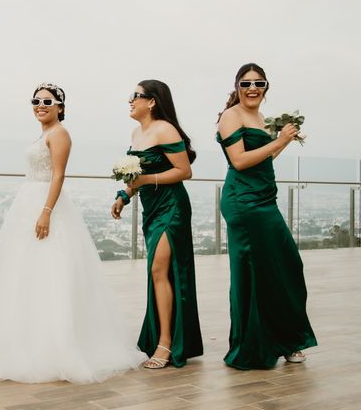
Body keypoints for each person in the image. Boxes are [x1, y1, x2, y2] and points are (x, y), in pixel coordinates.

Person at [0, 83, 146, 383]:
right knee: (24, 272)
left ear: (60, 107)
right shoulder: (43, 133)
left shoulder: (60, 133)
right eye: (36, 101)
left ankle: (55, 343)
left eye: (48, 101)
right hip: (27, 201)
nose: (41, 105)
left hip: (45, 204)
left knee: (52, 270)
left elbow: (58, 174)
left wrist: (46, 211)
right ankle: (24, 337)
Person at [216, 63, 317, 370]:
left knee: (286, 265)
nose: (252, 88)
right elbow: (240, 160)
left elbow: (266, 156)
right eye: (246, 83)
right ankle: (253, 345)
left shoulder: (260, 118)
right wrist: (281, 140)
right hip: (243, 202)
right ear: (236, 87)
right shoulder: (230, 116)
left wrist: (280, 143)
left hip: (265, 199)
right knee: (254, 272)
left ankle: (285, 338)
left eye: (258, 83)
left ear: (266, 88)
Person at [111, 80, 203, 369]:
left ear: (151, 101)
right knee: (159, 273)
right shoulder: (136, 133)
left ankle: (165, 343)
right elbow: (136, 174)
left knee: (158, 269)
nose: (130, 100)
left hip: (171, 206)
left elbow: (184, 170)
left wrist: (146, 180)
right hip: (151, 209)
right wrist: (124, 195)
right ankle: (164, 337)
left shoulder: (165, 129)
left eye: (135, 96)